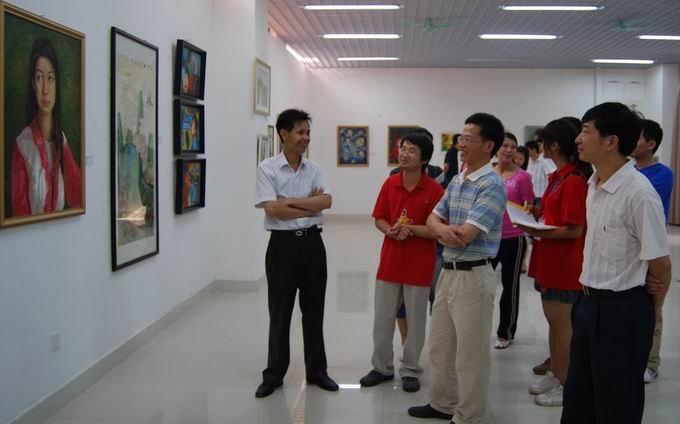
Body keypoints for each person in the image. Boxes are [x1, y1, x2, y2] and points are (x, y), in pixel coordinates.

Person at [561, 102, 671, 424]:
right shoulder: (594, 185)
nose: (578, 139)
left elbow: (661, 264)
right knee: (579, 397)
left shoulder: (639, 194)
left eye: (585, 131)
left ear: (611, 141)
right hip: (588, 303)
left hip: (623, 311)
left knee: (617, 404)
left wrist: (654, 308)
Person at [408, 113, 506, 424]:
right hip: (447, 273)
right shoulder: (458, 179)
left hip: (473, 276)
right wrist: (444, 230)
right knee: (441, 347)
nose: (459, 145)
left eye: (467, 139)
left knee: (470, 355)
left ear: (488, 145)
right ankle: (443, 403)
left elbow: (465, 236)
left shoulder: (492, 185)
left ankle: (469, 415)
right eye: (459, 138)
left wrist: (441, 230)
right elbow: (431, 219)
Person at [254, 109, 338, 398]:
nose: (306, 138)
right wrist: (308, 204)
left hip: (313, 245)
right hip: (282, 247)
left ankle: (317, 371)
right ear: (284, 134)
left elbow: (326, 202)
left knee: (314, 312)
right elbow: (272, 209)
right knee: (280, 313)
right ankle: (274, 374)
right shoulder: (267, 168)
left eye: (308, 133)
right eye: (300, 132)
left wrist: (289, 202)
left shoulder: (314, 169)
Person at [361, 132, 444, 393]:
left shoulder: (434, 190)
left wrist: (411, 229)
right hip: (390, 262)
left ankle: (410, 369)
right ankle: (382, 367)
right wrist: (391, 230)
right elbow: (379, 218)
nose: (404, 154)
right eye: (403, 148)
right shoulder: (390, 184)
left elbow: (437, 230)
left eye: (411, 150)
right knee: (383, 319)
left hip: (419, 265)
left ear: (424, 159)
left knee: (416, 322)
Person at [517, 118, 590, 407]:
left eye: (543, 142)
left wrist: (537, 230)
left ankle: (566, 383)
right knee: (554, 324)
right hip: (549, 260)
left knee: (562, 328)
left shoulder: (573, 181)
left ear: (555, 145)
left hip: (564, 265)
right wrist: (536, 214)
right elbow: (556, 216)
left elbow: (574, 229)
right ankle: (556, 372)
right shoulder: (558, 177)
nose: (539, 147)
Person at [11, 37, 81, 217]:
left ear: (57, 84)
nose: (45, 89)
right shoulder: (22, 145)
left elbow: (78, 195)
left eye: (50, 78)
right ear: (33, 84)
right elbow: (20, 215)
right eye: (39, 77)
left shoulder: (61, 139)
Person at [389, 128, 444, 345]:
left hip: (433, 244)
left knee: (435, 293)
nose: (407, 153)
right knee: (400, 299)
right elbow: (391, 211)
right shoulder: (395, 174)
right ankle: (406, 340)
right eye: (406, 148)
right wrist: (399, 229)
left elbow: (442, 207)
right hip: (402, 244)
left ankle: (435, 340)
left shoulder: (438, 173)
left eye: (416, 148)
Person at [630, 118, 674, 384]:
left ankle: (651, 361)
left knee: (653, 302)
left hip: (651, 247)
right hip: (630, 249)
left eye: (637, 137)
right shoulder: (628, 169)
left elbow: (641, 203)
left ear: (651, 144)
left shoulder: (662, 174)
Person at [492, 132, 534, 349]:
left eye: (513, 147)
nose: (509, 150)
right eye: (505, 145)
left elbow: (529, 207)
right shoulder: (487, 174)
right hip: (487, 238)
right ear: (496, 148)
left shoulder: (522, 177)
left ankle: (505, 332)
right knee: (482, 286)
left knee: (510, 287)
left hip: (513, 239)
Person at [526, 137, 556, 207]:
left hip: (541, 196)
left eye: (528, 150)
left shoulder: (544, 161)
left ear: (533, 150)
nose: (526, 152)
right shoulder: (528, 162)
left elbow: (550, 175)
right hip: (531, 195)